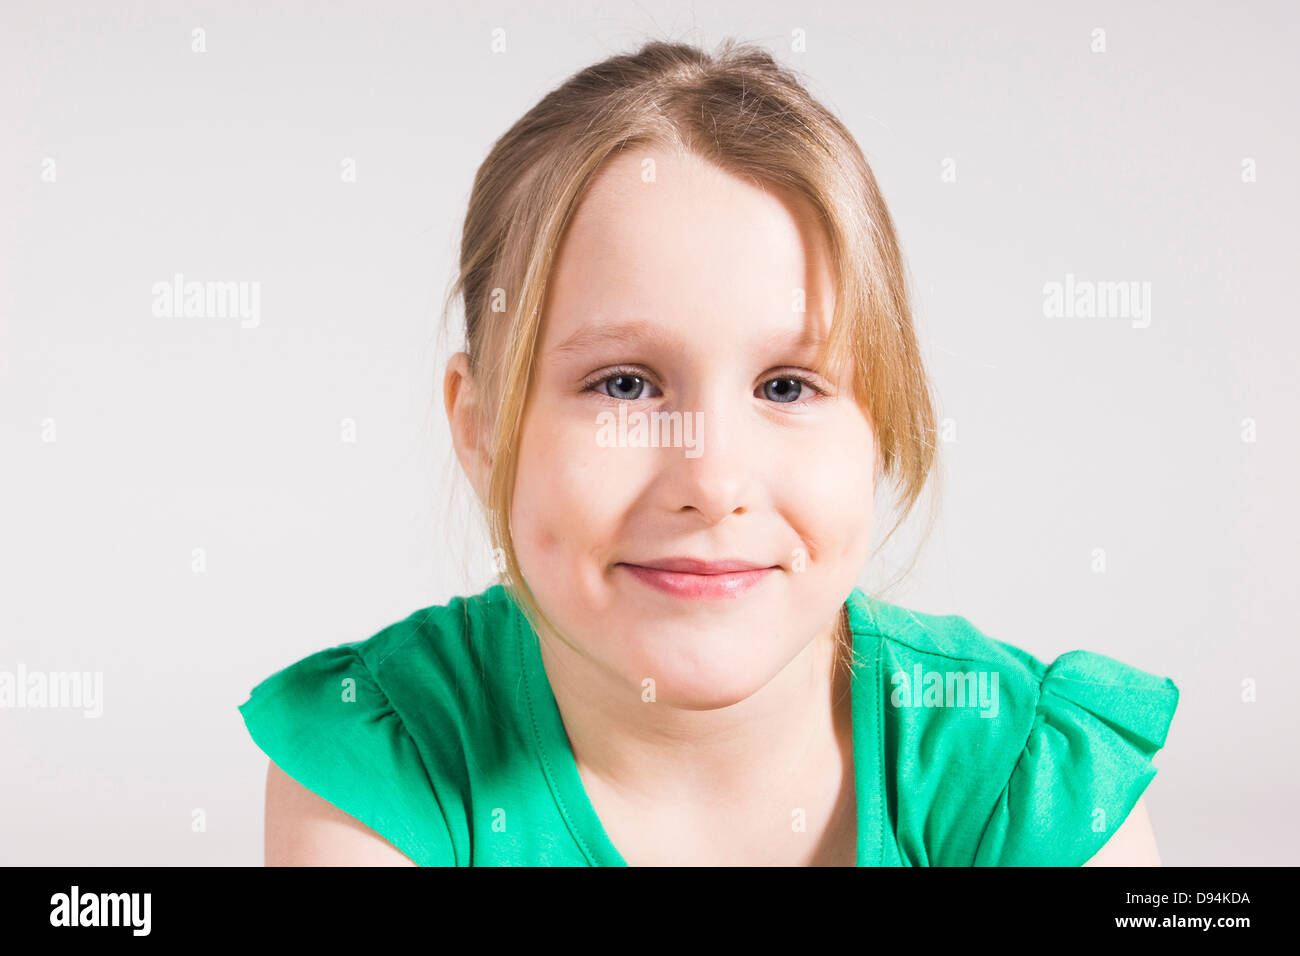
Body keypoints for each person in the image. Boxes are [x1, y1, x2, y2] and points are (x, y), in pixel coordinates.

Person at [239, 37, 1179, 866]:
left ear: (882, 420)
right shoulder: (390, 765)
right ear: (481, 428)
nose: (713, 482)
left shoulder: (1018, 775)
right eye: (624, 384)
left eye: (787, 386)